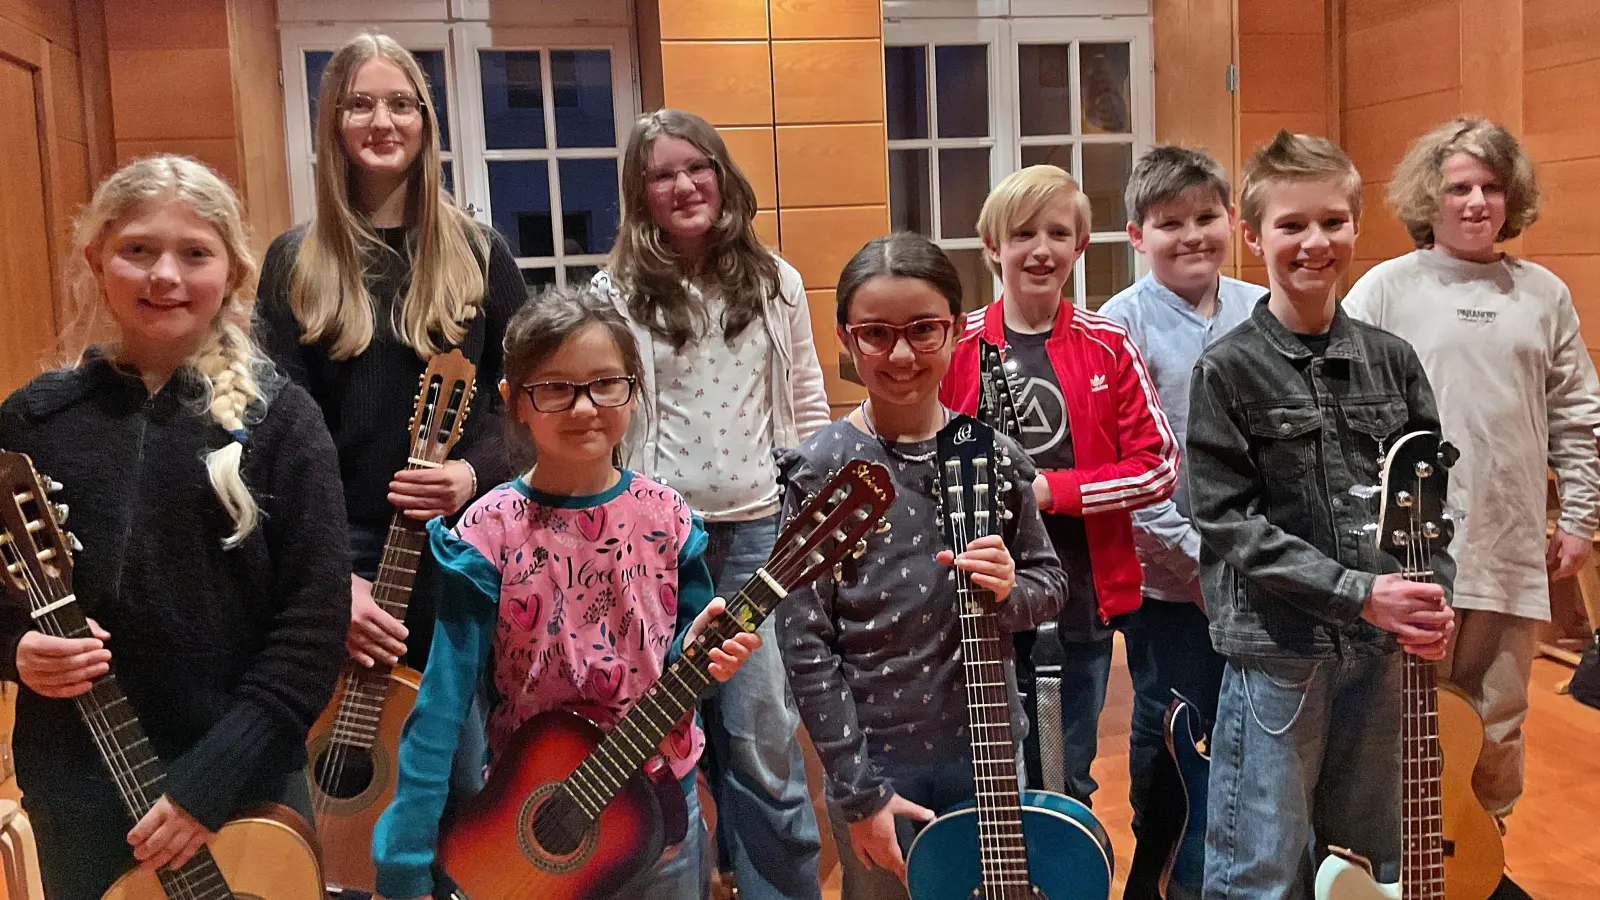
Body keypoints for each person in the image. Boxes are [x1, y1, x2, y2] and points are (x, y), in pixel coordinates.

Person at [0, 155, 349, 900]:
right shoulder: (33, 420)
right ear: (96, 261)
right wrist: (15, 649)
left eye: (194, 253)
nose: (165, 276)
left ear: (233, 272)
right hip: (78, 796)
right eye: (138, 250)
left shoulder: (282, 421)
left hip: (242, 794)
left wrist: (208, 786)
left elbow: (313, 624)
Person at [372, 287, 762, 900]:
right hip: (532, 821)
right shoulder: (489, 532)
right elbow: (441, 706)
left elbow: (683, 656)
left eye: (606, 384)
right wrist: (404, 860)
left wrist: (706, 654)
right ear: (514, 402)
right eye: (555, 388)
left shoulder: (667, 517)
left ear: (633, 390)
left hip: (658, 812)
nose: (584, 407)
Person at [1186, 131, 1456, 900]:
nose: (1315, 242)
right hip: (1281, 653)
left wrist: (1433, 598)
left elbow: (1430, 503)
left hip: (1381, 654)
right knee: (1262, 871)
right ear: (1251, 235)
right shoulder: (1227, 369)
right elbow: (1227, 520)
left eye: (1333, 222)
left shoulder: (1393, 360)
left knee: (1368, 866)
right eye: (1292, 225)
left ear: (1356, 226)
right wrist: (1357, 593)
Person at [256, 32, 525, 799]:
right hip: (337, 551)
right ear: (333, 123)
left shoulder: (479, 252)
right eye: (361, 104)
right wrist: (332, 579)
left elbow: (530, 401)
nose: (383, 121)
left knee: (456, 762)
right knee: (331, 770)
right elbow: (273, 434)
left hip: (459, 543)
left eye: (402, 103)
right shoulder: (295, 260)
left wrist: (472, 472)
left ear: (425, 122)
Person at [779, 232, 1068, 900]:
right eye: (876, 334)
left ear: (957, 330)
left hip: (988, 757)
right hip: (877, 765)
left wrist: (1008, 591)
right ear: (846, 339)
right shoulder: (821, 469)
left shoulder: (990, 453)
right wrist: (858, 792)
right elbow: (805, 642)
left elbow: (1050, 584)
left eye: (923, 330)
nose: (902, 354)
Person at [590, 108, 828, 900]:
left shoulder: (777, 281)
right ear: (641, 194)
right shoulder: (612, 292)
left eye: (698, 167)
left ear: (722, 176)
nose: (685, 185)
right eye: (663, 174)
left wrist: (808, 512)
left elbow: (807, 398)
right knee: (660, 744)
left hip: (760, 536)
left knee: (763, 740)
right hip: (656, 547)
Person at [1342, 116, 1600, 824]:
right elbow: (1341, 412)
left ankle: (1484, 854)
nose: (1477, 202)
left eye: (1491, 186)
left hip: (1511, 546)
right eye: (1459, 188)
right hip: (1409, 553)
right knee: (1405, 721)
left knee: (1498, 723)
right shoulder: (1383, 290)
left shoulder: (1542, 294)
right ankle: (1403, 860)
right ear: (1430, 197)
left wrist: (1580, 517)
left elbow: (1578, 413)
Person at [939, 164, 1178, 806]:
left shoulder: (1108, 343)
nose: (1040, 250)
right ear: (992, 247)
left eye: (1057, 234)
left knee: (1066, 776)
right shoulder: (956, 345)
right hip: (974, 605)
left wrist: (1053, 493)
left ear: (1081, 245)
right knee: (987, 780)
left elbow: (1157, 466)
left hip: (1078, 603)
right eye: (1022, 234)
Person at [1097, 145, 1257, 822]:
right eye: (1170, 223)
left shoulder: (1263, 308)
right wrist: (1195, 564)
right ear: (1138, 236)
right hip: (1168, 576)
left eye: (1206, 217)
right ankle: (1165, 860)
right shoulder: (1118, 325)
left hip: (1259, 565)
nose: (1192, 235)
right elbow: (1123, 469)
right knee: (1170, 717)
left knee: (1251, 717)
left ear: (1231, 220)